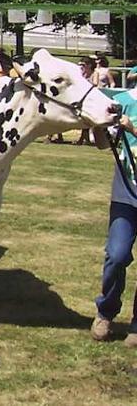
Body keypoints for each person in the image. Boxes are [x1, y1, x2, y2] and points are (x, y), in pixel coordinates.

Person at [90, 93, 137, 348]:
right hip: (125, 198)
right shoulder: (123, 101)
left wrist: (133, 129)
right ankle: (106, 312)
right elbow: (101, 144)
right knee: (116, 256)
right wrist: (98, 125)